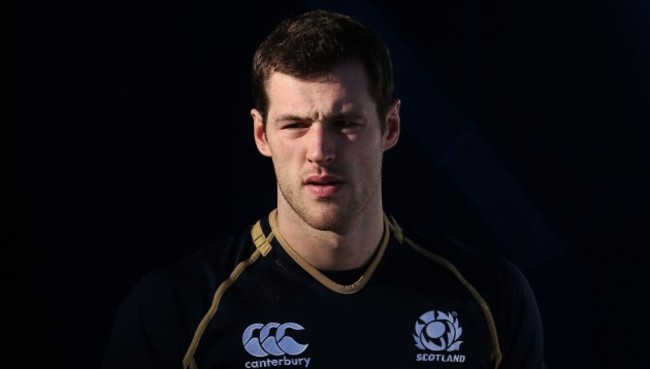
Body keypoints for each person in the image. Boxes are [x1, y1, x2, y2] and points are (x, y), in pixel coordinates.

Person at [101, 9, 547, 369]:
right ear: (261, 135)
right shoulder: (175, 310)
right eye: (294, 125)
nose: (319, 150)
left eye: (345, 124)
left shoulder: (490, 297)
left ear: (389, 126)